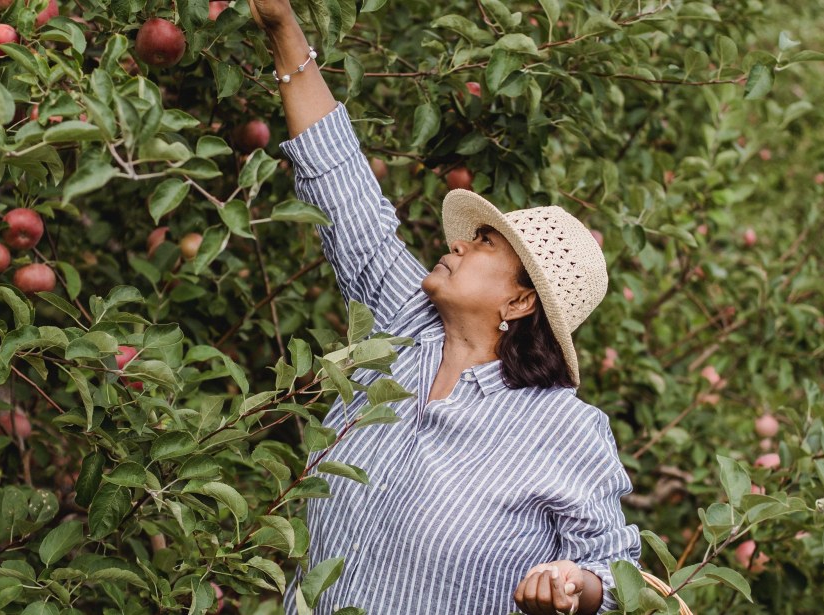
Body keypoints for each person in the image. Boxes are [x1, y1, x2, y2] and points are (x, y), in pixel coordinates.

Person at [246, 1, 642, 613]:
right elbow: (341, 184)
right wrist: (283, 29)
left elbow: (614, 573)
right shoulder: (402, 328)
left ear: (520, 298)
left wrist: (571, 591)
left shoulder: (562, 428)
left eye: (484, 243)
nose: (459, 243)